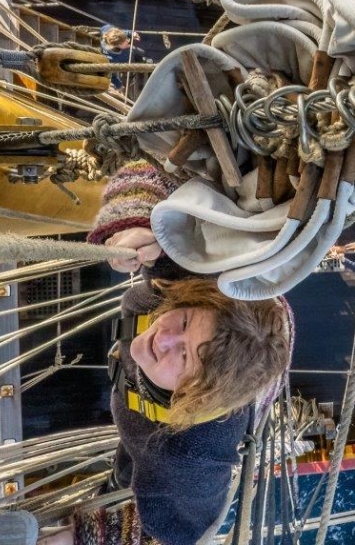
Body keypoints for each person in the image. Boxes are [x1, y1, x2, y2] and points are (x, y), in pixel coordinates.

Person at [43, 160, 293, 545]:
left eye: (186, 358)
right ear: (194, 301)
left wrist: (80, 538)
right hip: (248, 314)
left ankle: (121, 479)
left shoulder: (190, 460)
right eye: (185, 323)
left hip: (172, 428)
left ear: (195, 396)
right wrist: (136, 224)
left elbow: (174, 537)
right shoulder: (185, 289)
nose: (164, 339)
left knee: (134, 471)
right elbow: (155, 170)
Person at [100, 25, 142, 90]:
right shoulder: (111, 60)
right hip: (125, 62)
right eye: (126, 41)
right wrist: (119, 85)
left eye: (127, 39)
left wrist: (131, 33)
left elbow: (121, 33)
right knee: (129, 71)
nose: (128, 41)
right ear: (118, 45)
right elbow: (111, 75)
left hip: (129, 53)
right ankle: (129, 76)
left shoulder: (109, 32)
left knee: (141, 53)